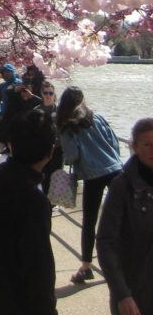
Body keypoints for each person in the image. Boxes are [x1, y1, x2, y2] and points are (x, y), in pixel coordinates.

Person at [0, 108, 57, 315]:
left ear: (10, 145)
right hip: (15, 303)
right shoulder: (34, 200)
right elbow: (39, 268)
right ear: (51, 151)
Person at [57, 85, 122, 284]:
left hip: (92, 176)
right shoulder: (98, 118)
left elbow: (71, 155)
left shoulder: (68, 128)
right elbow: (114, 143)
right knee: (122, 216)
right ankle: (124, 260)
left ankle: (86, 267)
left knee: (90, 222)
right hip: (115, 168)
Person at [97, 117, 153, 315]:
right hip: (134, 291)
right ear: (135, 147)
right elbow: (105, 242)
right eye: (148, 145)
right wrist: (122, 294)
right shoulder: (122, 186)